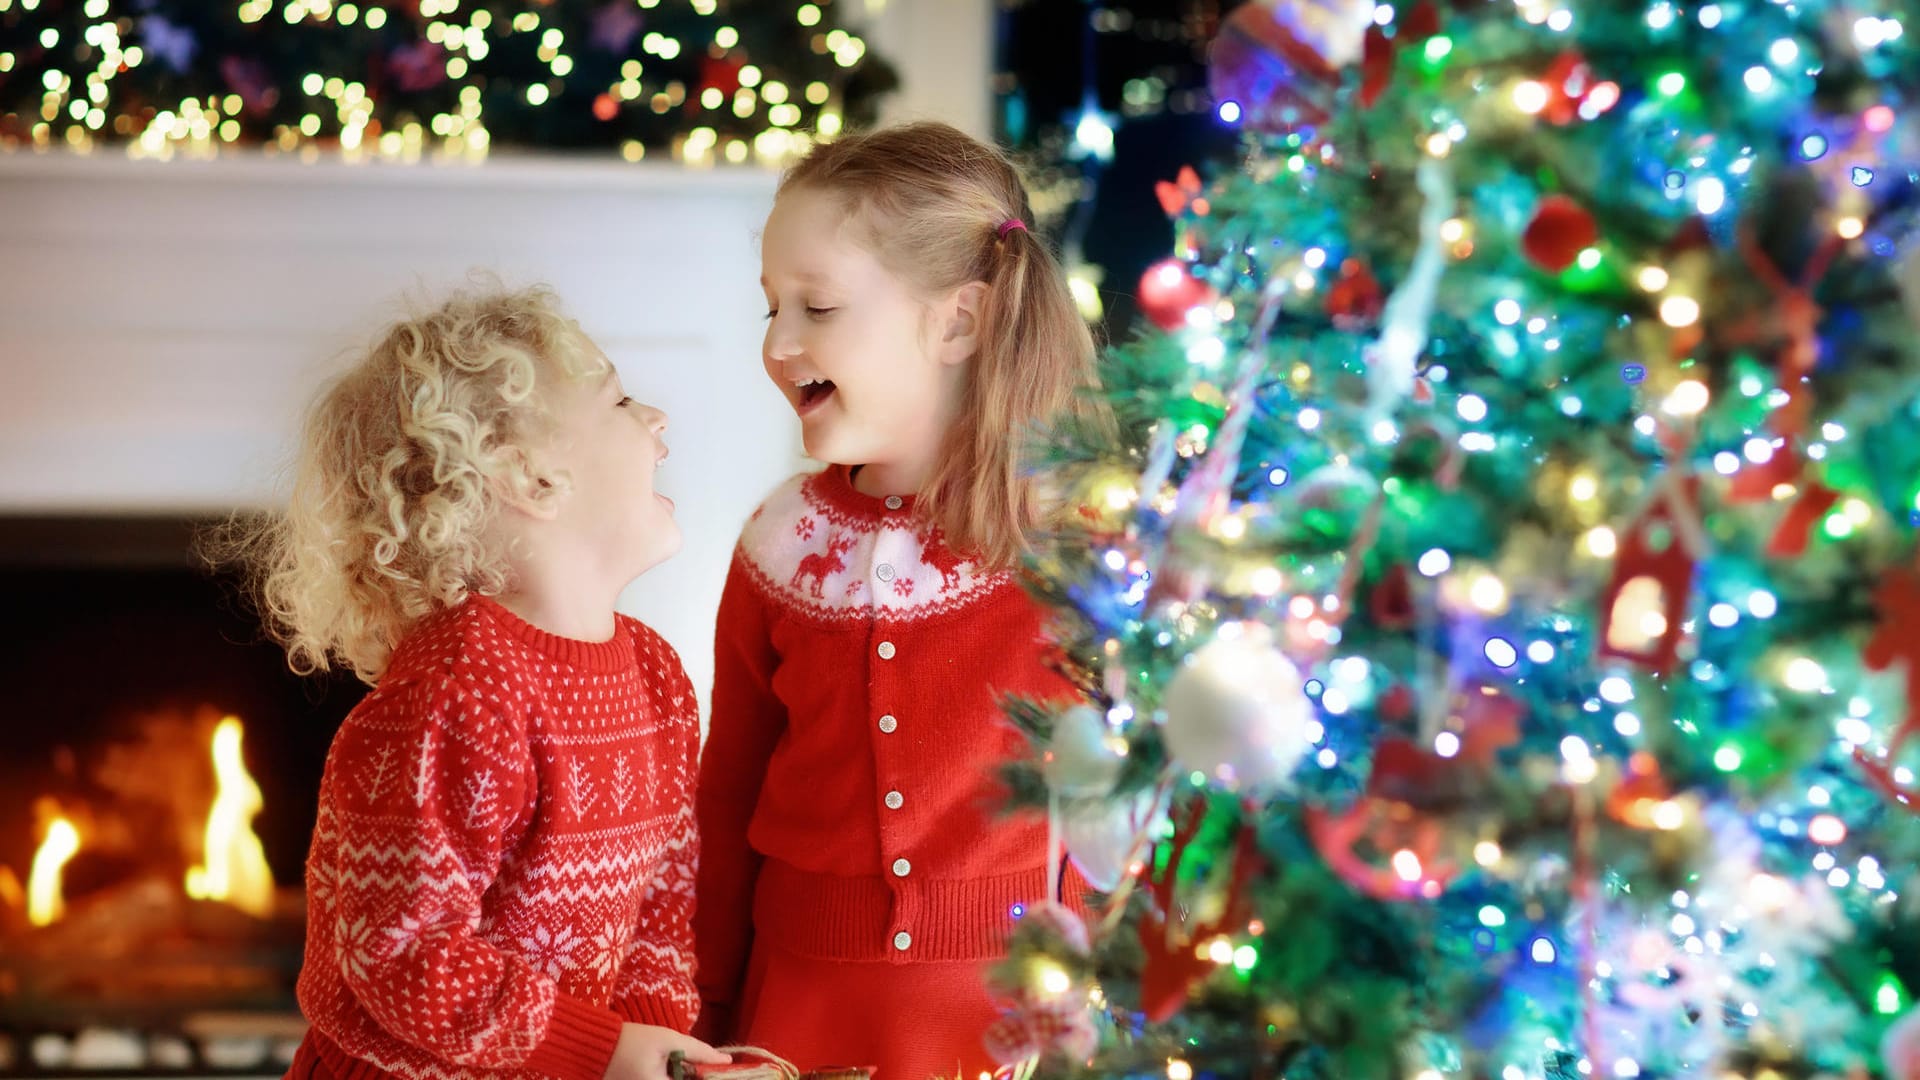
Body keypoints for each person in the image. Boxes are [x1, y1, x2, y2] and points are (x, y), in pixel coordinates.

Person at [221, 284, 730, 1080]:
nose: (657, 421)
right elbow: (396, 947)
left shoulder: (658, 677)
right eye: (621, 402)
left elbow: (660, 905)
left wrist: (662, 1049)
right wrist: (601, 1052)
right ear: (528, 478)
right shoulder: (459, 691)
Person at [693, 122, 1104, 1078]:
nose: (781, 343)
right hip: (791, 1007)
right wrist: (703, 999)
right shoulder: (779, 542)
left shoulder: (1079, 538)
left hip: (1019, 1017)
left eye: (820, 306)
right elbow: (730, 788)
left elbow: (1150, 788)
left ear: (958, 322)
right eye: (771, 309)